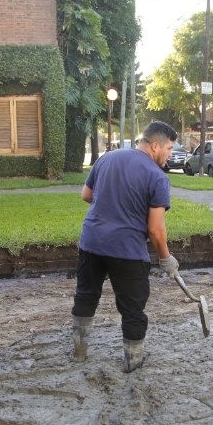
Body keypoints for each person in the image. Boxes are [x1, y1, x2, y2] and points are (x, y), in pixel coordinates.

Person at [71, 121, 180, 373]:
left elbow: (86, 195)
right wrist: (166, 258)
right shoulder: (156, 177)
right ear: (155, 146)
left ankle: (79, 353)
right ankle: (133, 362)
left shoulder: (108, 158)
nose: (170, 154)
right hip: (127, 251)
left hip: (92, 243)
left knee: (86, 296)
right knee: (133, 309)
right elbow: (155, 229)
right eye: (169, 148)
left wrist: (111, 207)